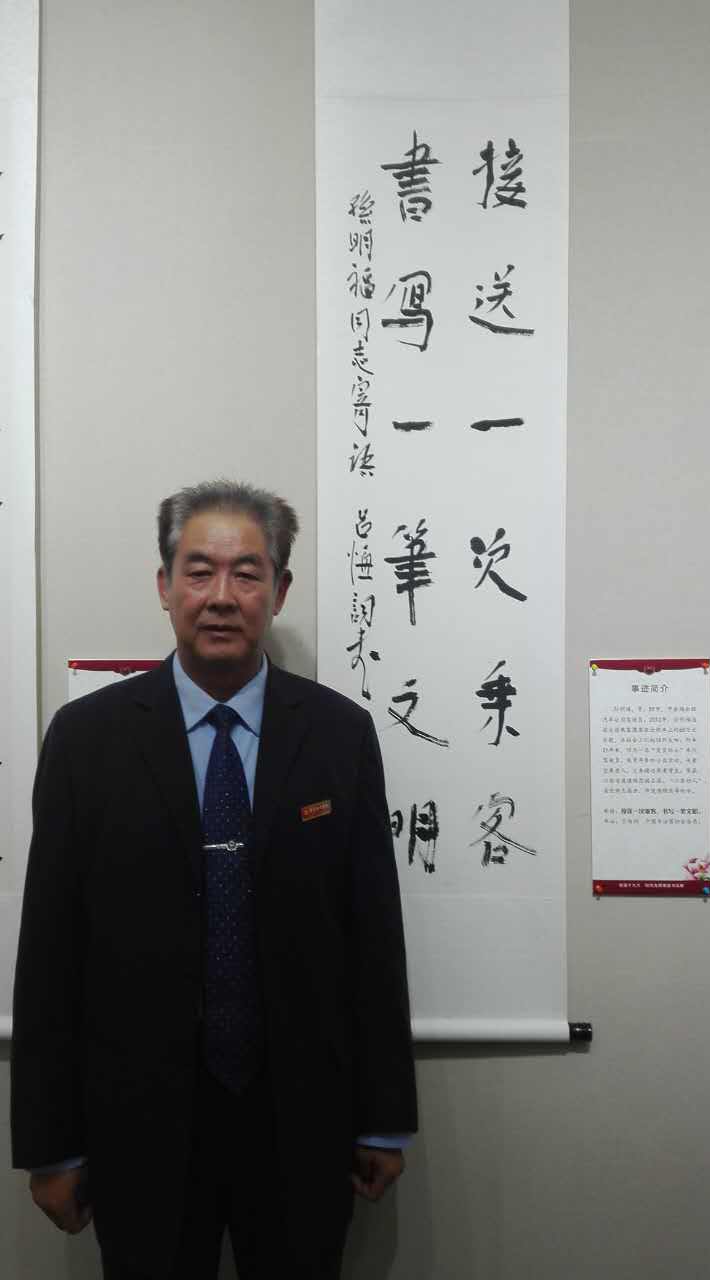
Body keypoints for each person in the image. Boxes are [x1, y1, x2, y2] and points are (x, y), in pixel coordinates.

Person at [11, 480, 417, 1279]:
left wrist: (383, 1119)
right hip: (138, 1119)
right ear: (164, 585)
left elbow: (372, 934)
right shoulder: (88, 739)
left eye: (246, 573)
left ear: (279, 590)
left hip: (301, 1116)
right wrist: (48, 1143)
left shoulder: (338, 734)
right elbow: (51, 949)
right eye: (199, 571)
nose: (221, 596)